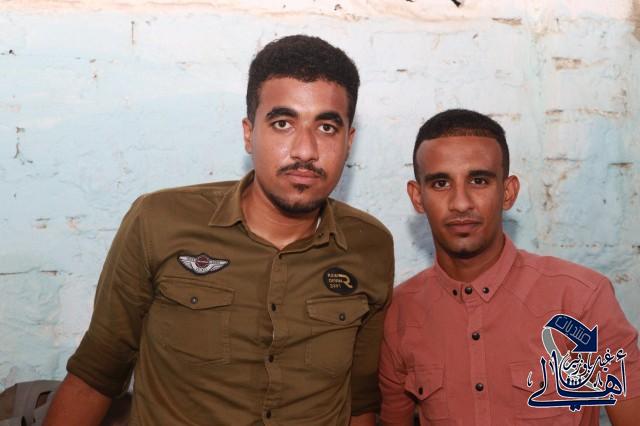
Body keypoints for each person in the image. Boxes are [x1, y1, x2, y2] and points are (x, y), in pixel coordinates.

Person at [44, 35, 394, 426]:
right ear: (249, 133)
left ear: (349, 141)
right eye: (283, 123)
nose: (305, 150)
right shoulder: (159, 222)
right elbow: (96, 376)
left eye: (327, 128)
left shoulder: (370, 245)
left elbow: (360, 403)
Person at [378, 109, 640, 425]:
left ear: (508, 192)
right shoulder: (399, 314)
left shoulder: (581, 298)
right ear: (417, 197)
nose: (461, 203)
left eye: (479, 180)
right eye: (441, 183)